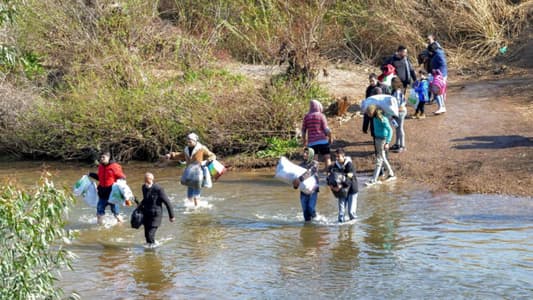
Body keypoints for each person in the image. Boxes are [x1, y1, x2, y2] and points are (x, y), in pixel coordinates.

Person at [165, 133, 216, 206]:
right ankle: (191, 205)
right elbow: (180, 155)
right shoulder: (186, 149)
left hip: (199, 172)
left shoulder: (201, 148)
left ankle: (196, 207)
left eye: (190, 140)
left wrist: (208, 160)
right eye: (188, 140)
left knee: (196, 188)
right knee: (189, 193)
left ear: (195, 141)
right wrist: (170, 155)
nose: (188, 141)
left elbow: (212, 155)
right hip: (189, 171)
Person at [138, 172, 175, 248]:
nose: (145, 182)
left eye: (147, 180)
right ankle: (149, 250)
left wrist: (171, 216)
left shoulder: (158, 189)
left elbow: (167, 202)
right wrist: (139, 206)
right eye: (144, 180)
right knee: (146, 235)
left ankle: (153, 251)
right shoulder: (143, 187)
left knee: (150, 234)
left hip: (156, 215)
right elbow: (145, 200)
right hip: (146, 214)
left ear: (152, 179)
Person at [88, 152, 126, 224]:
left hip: (112, 195)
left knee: (116, 214)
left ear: (108, 157)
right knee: (99, 213)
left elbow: (122, 177)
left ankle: (121, 226)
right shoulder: (101, 167)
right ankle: (99, 229)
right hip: (102, 194)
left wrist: (121, 189)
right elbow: (100, 178)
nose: (101, 159)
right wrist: (91, 174)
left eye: (103, 157)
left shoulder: (114, 167)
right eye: (101, 157)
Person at [365, 105, 396, 186]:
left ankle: (374, 179)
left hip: (382, 140)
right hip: (377, 139)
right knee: (383, 158)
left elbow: (390, 130)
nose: (367, 115)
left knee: (379, 159)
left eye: (368, 113)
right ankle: (391, 174)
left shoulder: (383, 119)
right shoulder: (374, 118)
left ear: (372, 112)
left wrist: (388, 142)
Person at [327, 148, 358, 223]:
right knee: (341, 214)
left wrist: (340, 185)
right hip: (341, 192)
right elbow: (329, 178)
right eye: (336, 157)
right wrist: (331, 186)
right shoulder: (334, 166)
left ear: (343, 156)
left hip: (352, 190)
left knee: (351, 213)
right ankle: (341, 231)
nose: (337, 158)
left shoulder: (350, 165)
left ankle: (352, 230)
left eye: (338, 157)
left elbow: (349, 179)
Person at [301, 99, 333, 169]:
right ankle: (330, 175)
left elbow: (303, 131)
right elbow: (326, 130)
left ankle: (315, 176)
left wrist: (304, 142)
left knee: (314, 161)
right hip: (323, 141)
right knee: (327, 157)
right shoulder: (321, 116)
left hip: (312, 143)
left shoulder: (306, 117)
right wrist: (330, 138)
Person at [292, 147, 320, 222]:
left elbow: (309, 173)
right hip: (303, 191)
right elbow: (296, 177)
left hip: (313, 190)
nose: (304, 154)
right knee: (305, 213)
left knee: (310, 208)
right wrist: (295, 185)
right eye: (304, 153)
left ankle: (316, 219)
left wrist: (299, 179)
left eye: (307, 153)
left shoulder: (315, 164)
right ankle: (308, 228)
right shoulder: (300, 165)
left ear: (311, 155)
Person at [390, 77, 407, 153]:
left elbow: (397, 103)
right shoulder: (395, 91)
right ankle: (397, 144)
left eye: (392, 83)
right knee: (397, 128)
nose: (391, 84)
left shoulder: (397, 92)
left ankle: (402, 146)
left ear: (395, 83)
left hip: (400, 112)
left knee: (400, 128)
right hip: (397, 112)